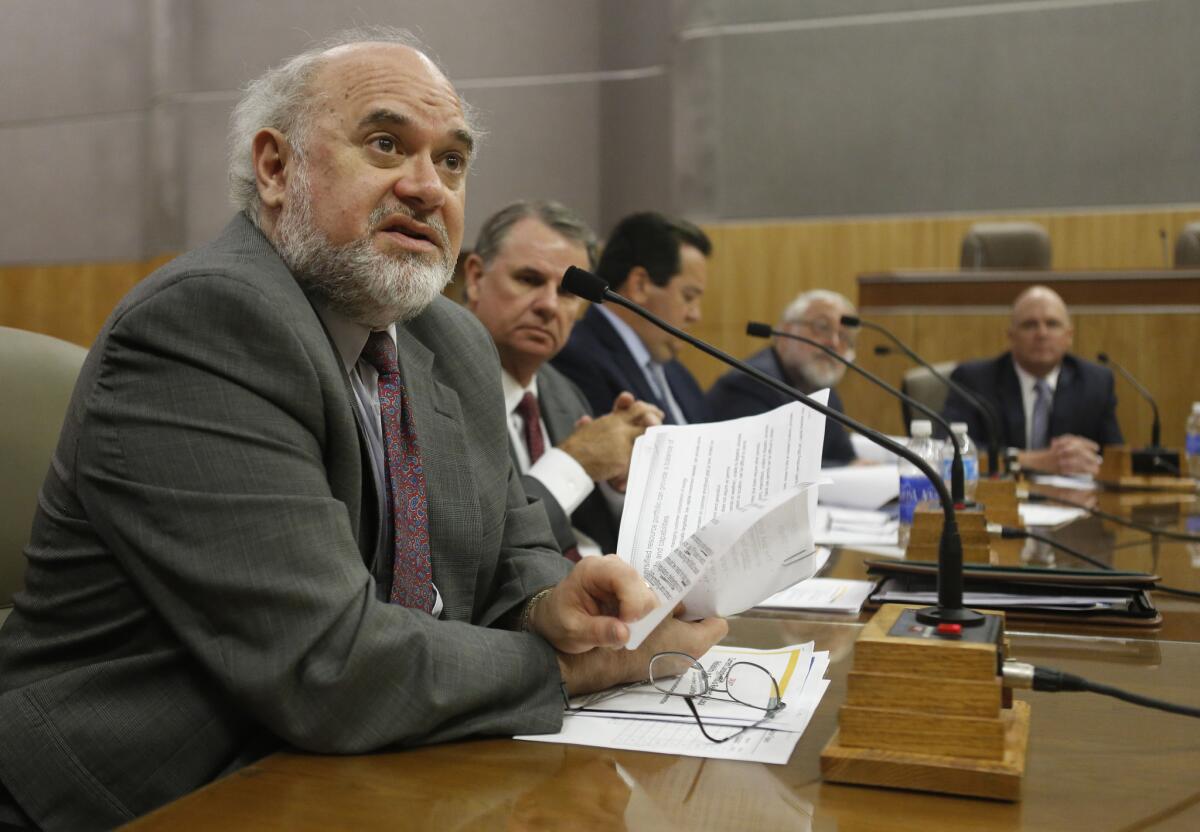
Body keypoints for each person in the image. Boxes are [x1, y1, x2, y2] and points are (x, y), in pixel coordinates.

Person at [0, 29, 725, 830]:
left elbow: (513, 551)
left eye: (451, 162)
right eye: (386, 145)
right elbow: (326, 665)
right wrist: (581, 666)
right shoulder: (205, 322)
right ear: (276, 169)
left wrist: (556, 605)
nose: (427, 188)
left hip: (354, 762)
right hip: (154, 788)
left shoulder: (446, 341)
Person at [464, 200, 662, 556]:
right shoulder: (434, 384)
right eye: (529, 280)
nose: (549, 305)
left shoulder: (562, 391)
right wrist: (576, 461)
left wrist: (621, 480)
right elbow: (476, 543)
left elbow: (587, 531)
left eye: (568, 292)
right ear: (476, 278)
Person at [941, 285, 1122, 475]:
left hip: (1073, 498)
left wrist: (1089, 459)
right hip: (1001, 497)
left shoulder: (1095, 382)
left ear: (1069, 336)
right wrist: (1033, 461)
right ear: (1011, 336)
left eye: (1052, 324)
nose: (1042, 334)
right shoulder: (974, 380)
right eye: (1029, 325)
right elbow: (949, 447)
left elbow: (1115, 457)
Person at [551, 212, 712, 425]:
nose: (695, 315)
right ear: (639, 285)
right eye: (688, 297)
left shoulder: (677, 373)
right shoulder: (576, 358)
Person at [705, 289, 860, 466]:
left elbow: (844, 457)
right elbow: (764, 469)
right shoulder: (751, 383)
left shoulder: (825, 393)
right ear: (784, 332)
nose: (834, 343)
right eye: (822, 327)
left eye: (845, 336)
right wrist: (848, 468)